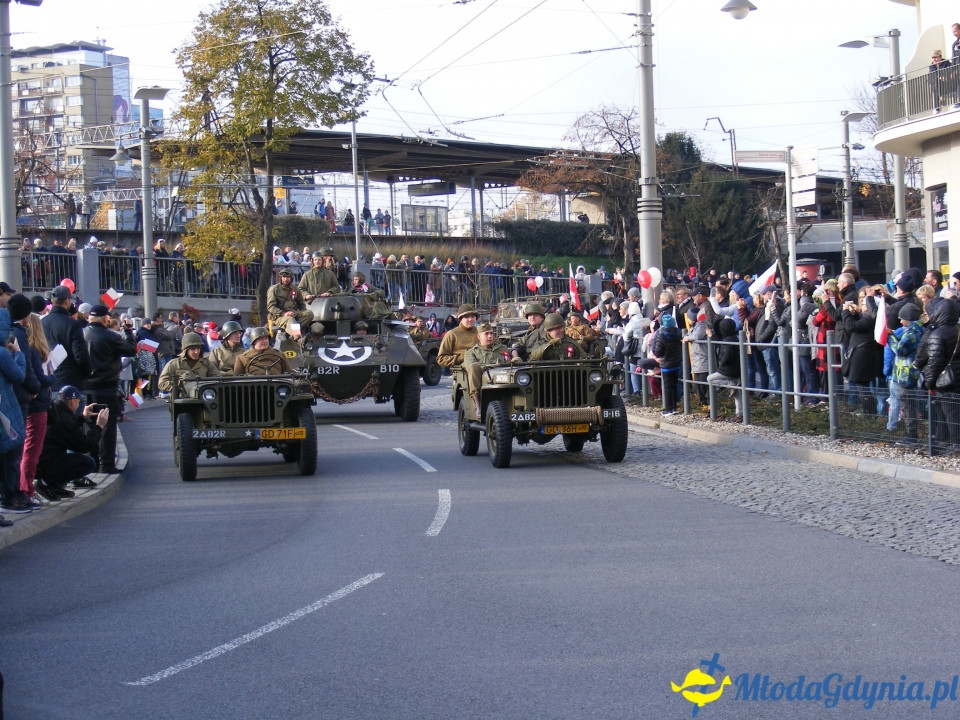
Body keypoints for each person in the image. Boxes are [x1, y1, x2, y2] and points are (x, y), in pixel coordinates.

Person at [84, 304, 136, 473]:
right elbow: (130, 350)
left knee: (89, 423)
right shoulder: (110, 336)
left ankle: (91, 462)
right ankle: (107, 463)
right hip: (106, 386)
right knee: (108, 424)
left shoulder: (81, 334)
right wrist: (128, 332)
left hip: (85, 386)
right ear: (105, 318)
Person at [34, 386, 108, 500]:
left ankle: (54, 485)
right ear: (73, 402)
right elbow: (84, 445)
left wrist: (82, 418)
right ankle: (46, 483)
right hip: (44, 464)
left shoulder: (56, 410)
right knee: (88, 463)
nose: (79, 404)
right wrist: (99, 426)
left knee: (66, 457)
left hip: (40, 459)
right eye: (78, 401)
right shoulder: (64, 419)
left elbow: (67, 429)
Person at [41, 285, 89, 392]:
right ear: (67, 301)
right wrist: (87, 373)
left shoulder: (41, 323)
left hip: (48, 381)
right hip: (72, 382)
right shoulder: (73, 325)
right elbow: (80, 355)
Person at [462, 322, 514, 419]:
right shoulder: (472, 352)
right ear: (479, 337)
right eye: (486, 334)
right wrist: (491, 367)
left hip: (504, 380)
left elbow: (509, 362)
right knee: (473, 367)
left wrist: (514, 355)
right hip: (483, 381)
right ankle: (477, 403)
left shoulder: (502, 348)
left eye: (491, 333)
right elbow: (470, 366)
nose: (490, 336)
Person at [707, 317, 743, 418]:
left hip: (727, 370)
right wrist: (712, 337)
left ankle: (730, 384)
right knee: (737, 394)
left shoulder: (727, 341)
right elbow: (719, 344)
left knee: (709, 379)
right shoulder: (733, 338)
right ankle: (739, 414)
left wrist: (721, 363)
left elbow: (727, 354)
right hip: (735, 370)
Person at [268, 267, 313, 337]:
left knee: (309, 314)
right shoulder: (274, 289)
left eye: (287, 277)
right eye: (283, 277)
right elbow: (271, 307)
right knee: (291, 320)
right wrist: (283, 314)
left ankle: (288, 330)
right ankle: (297, 337)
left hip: (293, 313)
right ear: (281, 278)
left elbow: (301, 304)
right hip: (279, 316)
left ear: (291, 278)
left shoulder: (295, 289)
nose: (285, 279)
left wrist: (303, 312)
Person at [653, 314, 682, 416]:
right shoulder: (678, 334)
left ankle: (668, 409)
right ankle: (674, 407)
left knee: (667, 388)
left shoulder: (662, 336)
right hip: (676, 363)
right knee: (674, 386)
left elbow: (658, 352)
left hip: (666, 365)